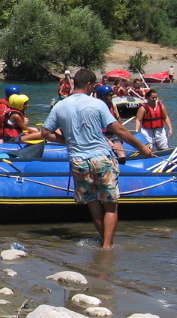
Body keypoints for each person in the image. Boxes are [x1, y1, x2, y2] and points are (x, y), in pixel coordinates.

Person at [41, 69, 152, 249]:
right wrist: (142, 148)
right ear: (91, 85)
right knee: (110, 205)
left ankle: (105, 243)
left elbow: (45, 133)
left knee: (93, 204)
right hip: (101, 158)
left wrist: (67, 141)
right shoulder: (97, 104)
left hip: (78, 160)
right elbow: (119, 130)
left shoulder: (60, 106)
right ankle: (107, 247)